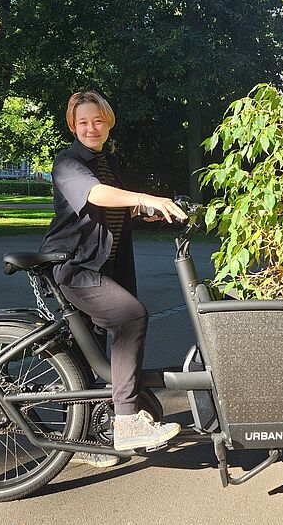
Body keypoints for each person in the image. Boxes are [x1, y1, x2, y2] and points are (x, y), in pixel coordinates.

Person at [40, 90, 187, 468]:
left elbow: (116, 204)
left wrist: (146, 210)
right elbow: (97, 195)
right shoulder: (68, 162)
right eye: (83, 122)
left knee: (90, 351)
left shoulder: (106, 161)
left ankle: (84, 438)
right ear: (73, 126)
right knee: (131, 316)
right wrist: (146, 196)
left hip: (103, 266)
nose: (91, 128)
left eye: (98, 121)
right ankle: (126, 421)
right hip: (76, 266)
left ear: (108, 123)